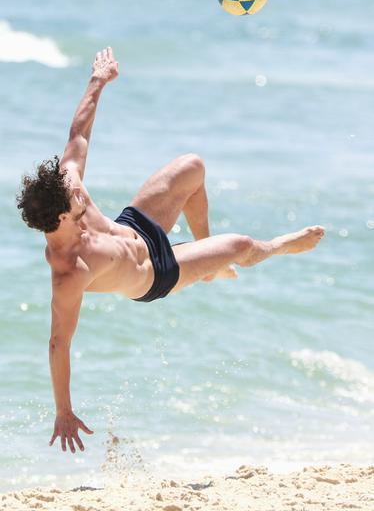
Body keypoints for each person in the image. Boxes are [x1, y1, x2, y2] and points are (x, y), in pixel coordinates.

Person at [16, 47, 325, 454]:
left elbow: (79, 134)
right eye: (74, 197)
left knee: (191, 167)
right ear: (59, 219)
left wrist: (98, 80)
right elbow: (59, 342)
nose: (79, 187)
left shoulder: (65, 186)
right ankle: (275, 247)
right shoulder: (70, 271)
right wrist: (64, 410)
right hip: (156, 273)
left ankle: (206, 259)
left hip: (133, 229)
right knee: (241, 245)